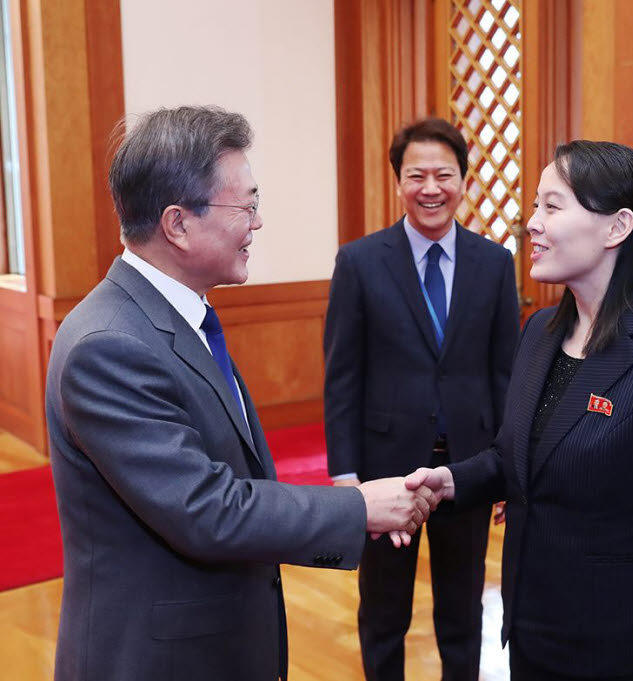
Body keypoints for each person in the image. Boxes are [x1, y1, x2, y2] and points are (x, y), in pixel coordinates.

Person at [45, 106, 434, 681]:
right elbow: (205, 508)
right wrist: (359, 508)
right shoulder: (108, 345)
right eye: (246, 206)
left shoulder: (175, 316)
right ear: (178, 223)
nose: (257, 223)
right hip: (157, 658)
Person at [406, 140, 633, 680]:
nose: (531, 223)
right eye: (535, 206)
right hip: (532, 634)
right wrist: (450, 481)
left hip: (621, 650)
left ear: (616, 227)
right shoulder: (540, 332)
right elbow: (518, 455)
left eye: (551, 207)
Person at [323, 117, 519, 681]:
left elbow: (505, 371)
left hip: (470, 461)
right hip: (385, 466)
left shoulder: (494, 263)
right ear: (398, 181)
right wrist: (344, 473)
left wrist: (504, 467)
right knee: (384, 607)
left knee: (463, 605)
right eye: (417, 175)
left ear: (463, 180)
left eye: (444, 174)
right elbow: (342, 375)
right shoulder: (359, 262)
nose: (431, 188)